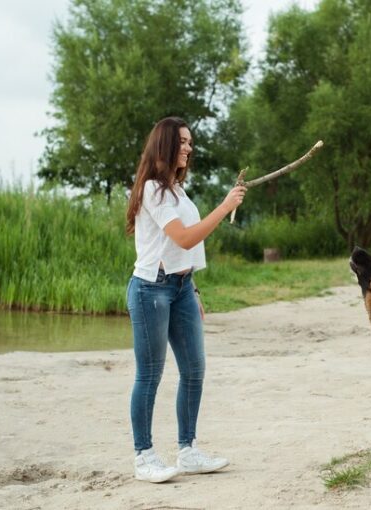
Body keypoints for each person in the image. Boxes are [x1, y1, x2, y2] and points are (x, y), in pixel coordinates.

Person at [125, 116, 247, 483]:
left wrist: (192, 289)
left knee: (194, 370)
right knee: (150, 375)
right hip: (150, 290)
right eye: (182, 141)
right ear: (164, 144)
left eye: (190, 142)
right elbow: (184, 238)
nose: (188, 148)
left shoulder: (177, 190)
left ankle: (188, 450)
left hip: (180, 290)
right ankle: (144, 456)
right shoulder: (152, 190)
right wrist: (225, 207)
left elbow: (183, 252)